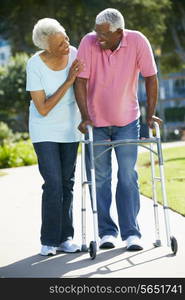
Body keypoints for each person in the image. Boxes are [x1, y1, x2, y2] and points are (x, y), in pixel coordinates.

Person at [74, 8, 162, 251]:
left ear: (119, 32)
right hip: (97, 124)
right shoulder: (88, 43)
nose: (97, 36)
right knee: (100, 178)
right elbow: (80, 81)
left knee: (127, 175)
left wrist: (150, 112)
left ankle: (132, 233)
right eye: (96, 31)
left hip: (127, 121)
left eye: (103, 33)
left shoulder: (137, 41)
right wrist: (84, 116)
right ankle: (106, 233)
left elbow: (151, 77)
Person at [26, 18, 83, 256]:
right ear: (46, 47)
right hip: (44, 130)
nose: (66, 46)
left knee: (67, 183)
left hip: (71, 129)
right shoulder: (35, 65)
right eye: (60, 44)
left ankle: (65, 238)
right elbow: (43, 108)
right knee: (53, 184)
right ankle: (48, 239)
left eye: (66, 39)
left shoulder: (74, 53)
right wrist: (68, 80)